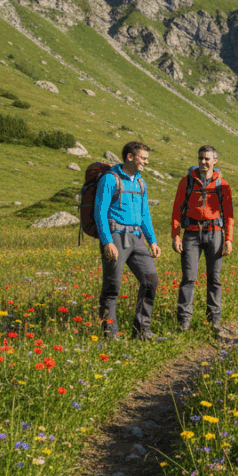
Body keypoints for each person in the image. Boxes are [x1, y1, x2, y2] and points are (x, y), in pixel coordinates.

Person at [96, 141, 161, 339]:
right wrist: (107, 241)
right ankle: (110, 334)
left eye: (147, 159)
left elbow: (145, 215)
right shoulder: (110, 179)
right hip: (115, 235)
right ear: (130, 157)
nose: (146, 162)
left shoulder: (141, 182)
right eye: (143, 158)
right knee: (112, 286)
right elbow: (99, 212)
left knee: (150, 280)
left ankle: (141, 330)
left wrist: (152, 240)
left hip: (136, 237)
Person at [171, 145, 235, 334]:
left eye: (207, 159)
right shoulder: (186, 182)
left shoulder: (222, 184)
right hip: (191, 233)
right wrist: (176, 236)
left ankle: (214, 321)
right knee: (188, 278)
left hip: (215, 233)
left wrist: (228, 239)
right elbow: (176, 209)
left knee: (214, 279)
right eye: (201, 158)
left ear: (215, 161)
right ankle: (184, 322)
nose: (203, 162)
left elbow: (229, 214)